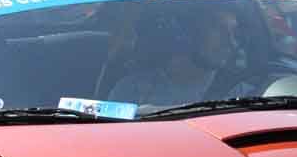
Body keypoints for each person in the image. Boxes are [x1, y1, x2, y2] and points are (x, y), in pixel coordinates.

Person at [108, 9, 251, 106]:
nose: (231, 42)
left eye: (233, 32)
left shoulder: (242, 94)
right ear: (187, 34)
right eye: (218, 30)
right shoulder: (131, 91)